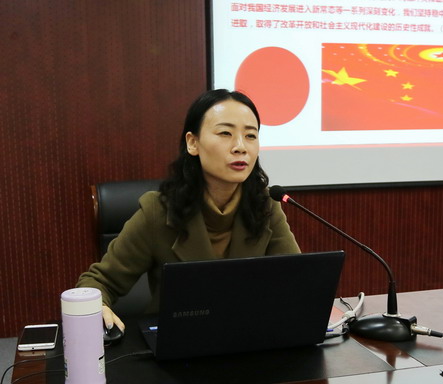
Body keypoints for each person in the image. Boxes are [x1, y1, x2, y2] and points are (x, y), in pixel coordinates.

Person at [77, 89, 300, 333]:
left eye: (250, 136)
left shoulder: (265, 205)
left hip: (247, 339)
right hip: (178, 343)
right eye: (225, 133)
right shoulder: (158, 211)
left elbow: (298, 281)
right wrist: (97, 308)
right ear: (193, 143)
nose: (240, 147)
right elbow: (97, 282)